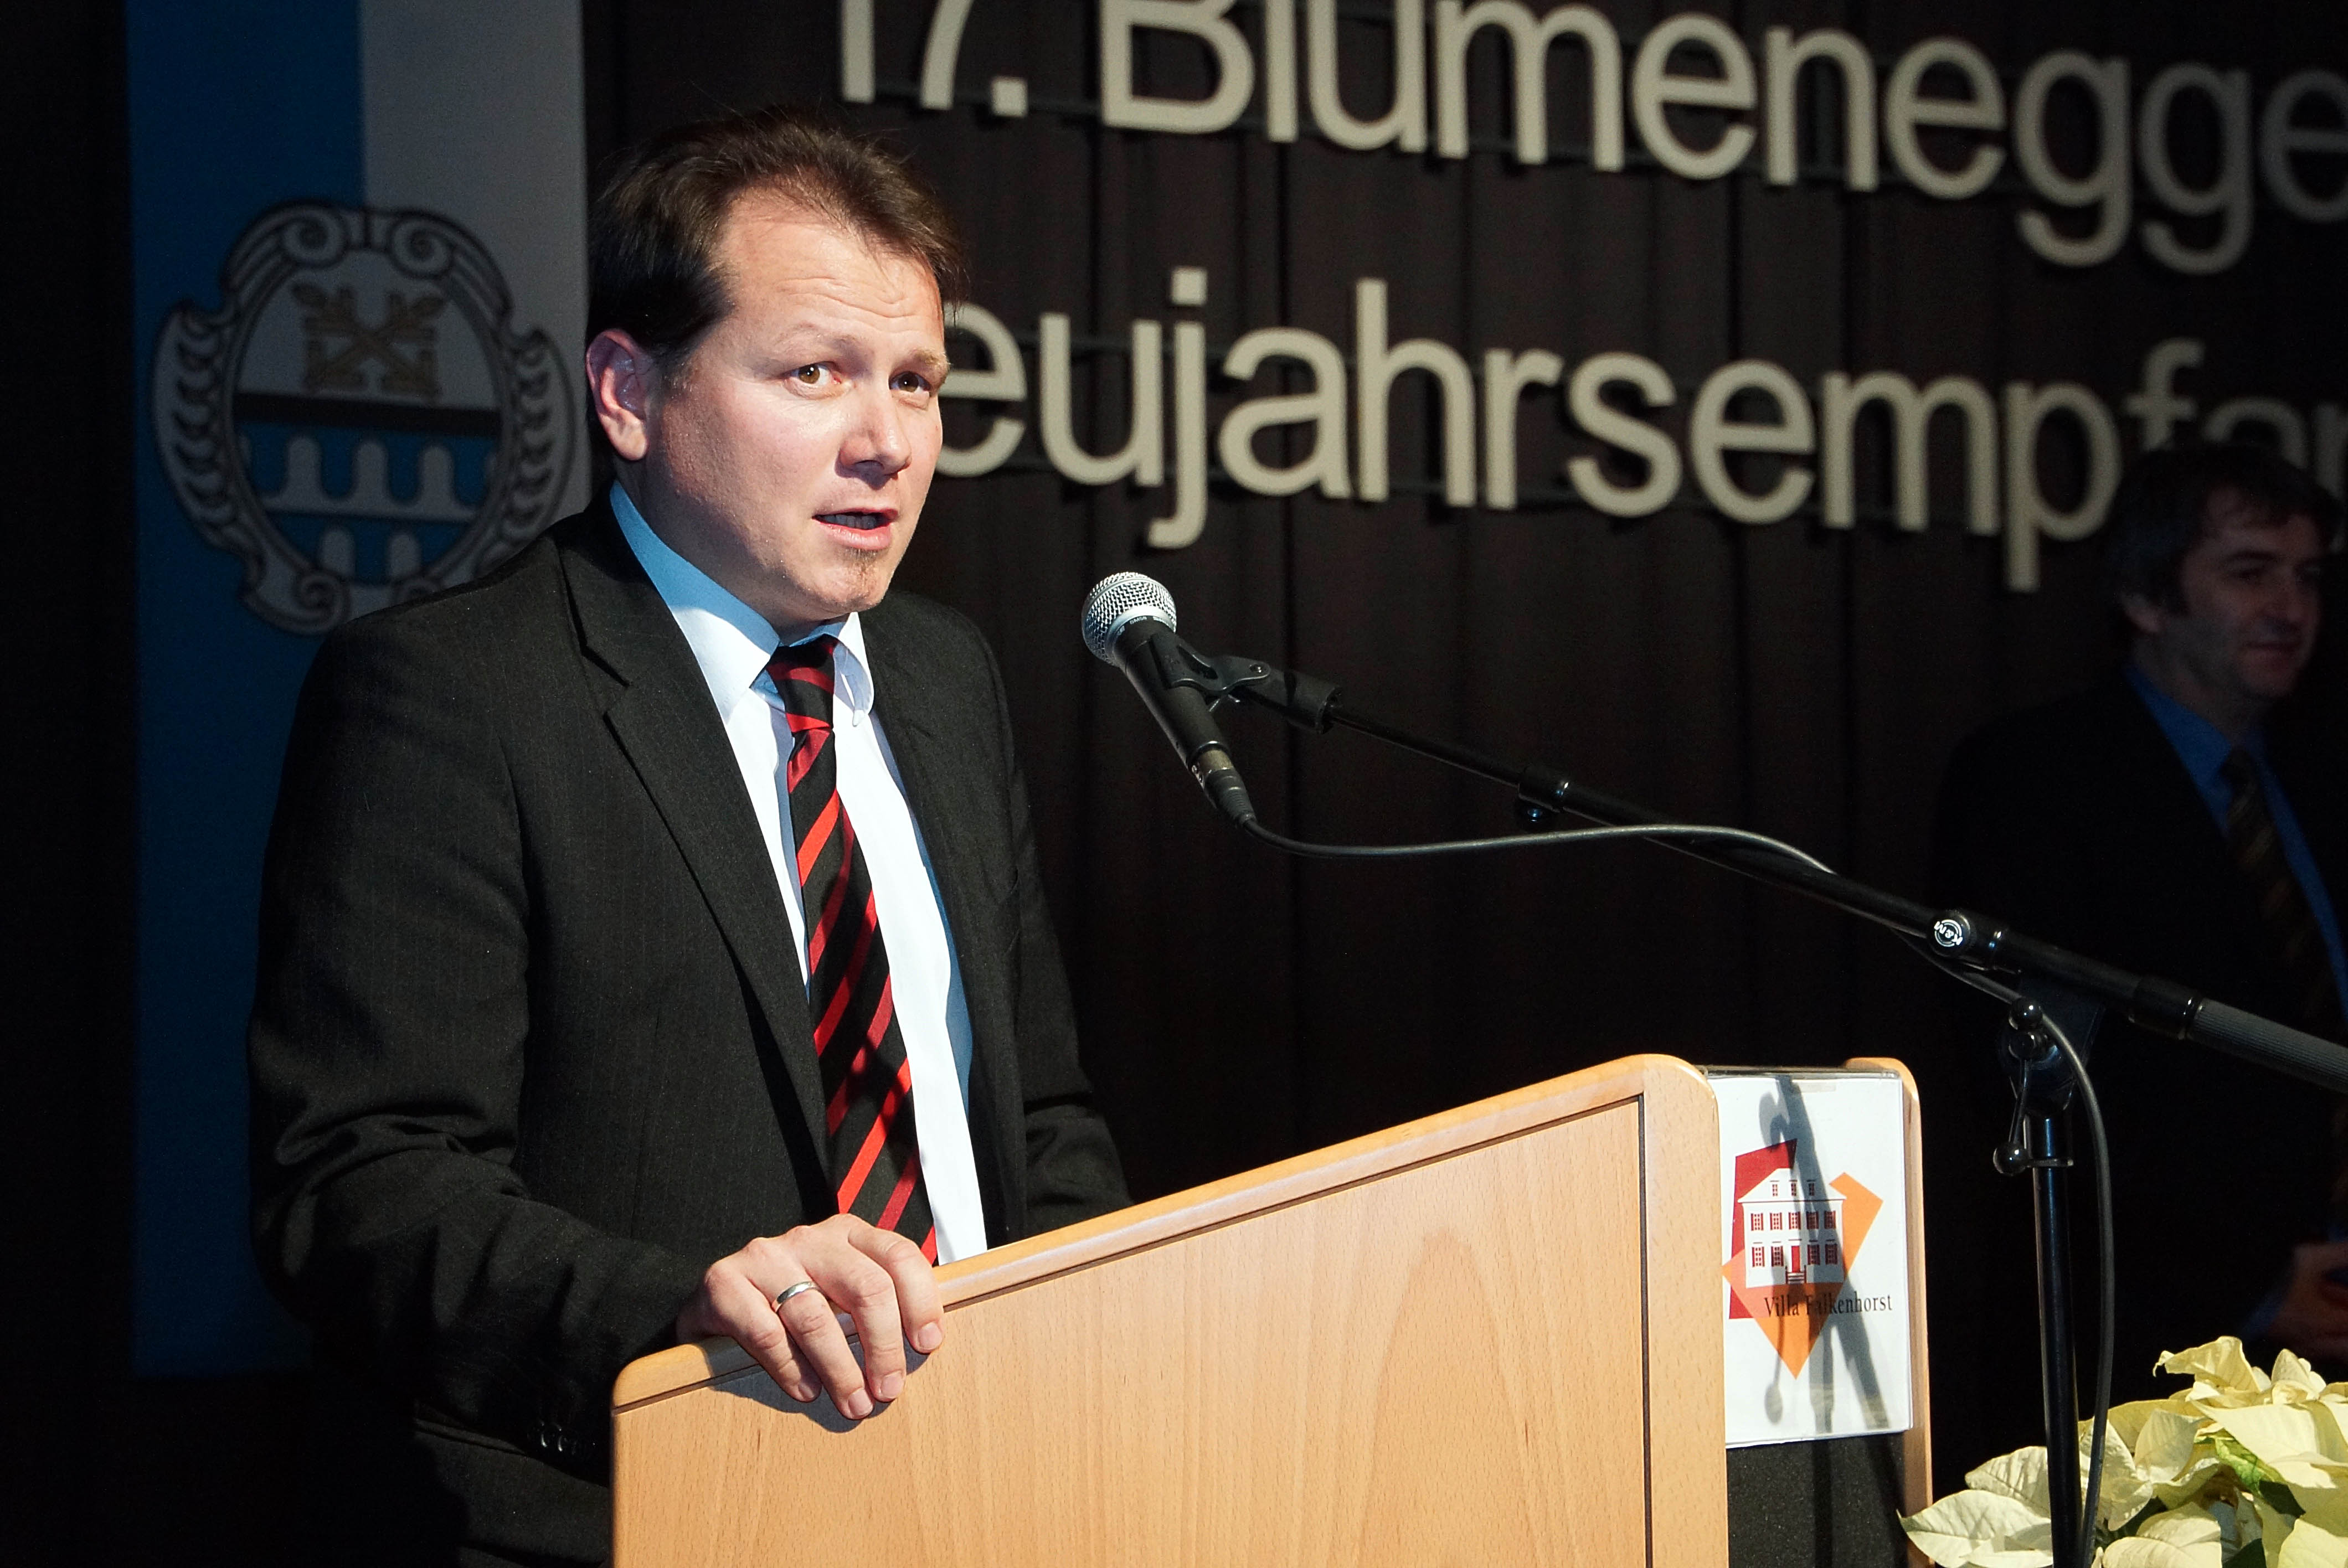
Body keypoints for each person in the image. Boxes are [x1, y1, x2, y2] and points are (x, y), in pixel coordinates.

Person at [248, 106, 1128, 1566]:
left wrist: (1119, 1356)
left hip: (987, 1497)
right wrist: (674, 1313)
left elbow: (1036, 1121)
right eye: (815, 373)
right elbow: (357, 1183)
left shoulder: (944, 678)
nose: (884, 442)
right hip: (639, 1512)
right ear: (628, 393)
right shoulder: (456, 693)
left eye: (916, 382)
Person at [1932, 440, 2346, 1427]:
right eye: (2251, 574)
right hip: (2152, 1349)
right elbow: (2049, 1083)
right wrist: (2253, 1288)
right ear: (2147, 599)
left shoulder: (2326, 771)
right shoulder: (2035, 777)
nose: (2290, 609)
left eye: (2307, 578)